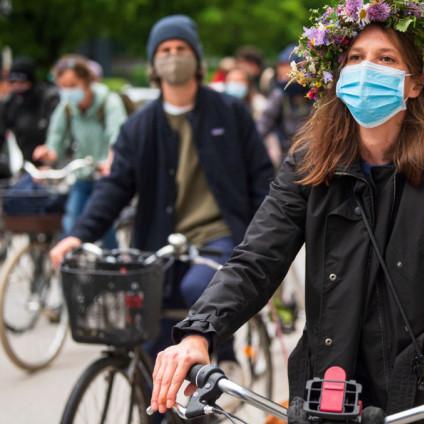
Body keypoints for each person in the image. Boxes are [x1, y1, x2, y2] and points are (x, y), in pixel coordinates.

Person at [150, 2, 424, 424]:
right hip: (333, 390)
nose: (366, 69)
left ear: (415, 83)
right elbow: (256, 259)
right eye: (355, 58)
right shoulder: (309, 160)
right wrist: (198, 332)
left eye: (386, 59)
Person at [48, 15, 274, 374]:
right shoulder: (139, 127)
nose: (173, 56)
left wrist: (262, 242)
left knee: (198, 289)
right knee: (150, 334)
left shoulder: (230, 113)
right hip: (160, 245)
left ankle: (222, 362)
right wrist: (77, 235)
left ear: (197, 58)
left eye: (181, 49)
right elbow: (115, 186)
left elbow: (263, 179)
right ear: (153, 62)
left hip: (220, 237)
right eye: (165, 50)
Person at [32, 54, 126, 248]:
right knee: (71, 222)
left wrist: (110, 160)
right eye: (62, 86)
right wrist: (47, 155)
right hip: (82, 174)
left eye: (73, 85)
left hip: (106, 176)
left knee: (103, 224)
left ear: (87, 81)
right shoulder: (67, 107)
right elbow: (56, 142)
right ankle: (74, 273)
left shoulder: (109, 102)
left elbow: (118, 136)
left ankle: (117, 270)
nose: (68, 91)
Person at [256, 45, 313, 166]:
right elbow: (264, 123)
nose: (282, 71)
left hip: (314, 151)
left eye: (286, 65)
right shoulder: (279, 93)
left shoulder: (316, 90)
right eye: (280, 66)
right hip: (288, 154)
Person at [0, 58, 59, 170]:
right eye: (13, 82)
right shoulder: (11, 103)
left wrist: (49, 162)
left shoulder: (47, 99)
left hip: (49, 162)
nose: (17, 86)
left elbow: (57, 132)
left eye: (22, 83)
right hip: (25, 163)